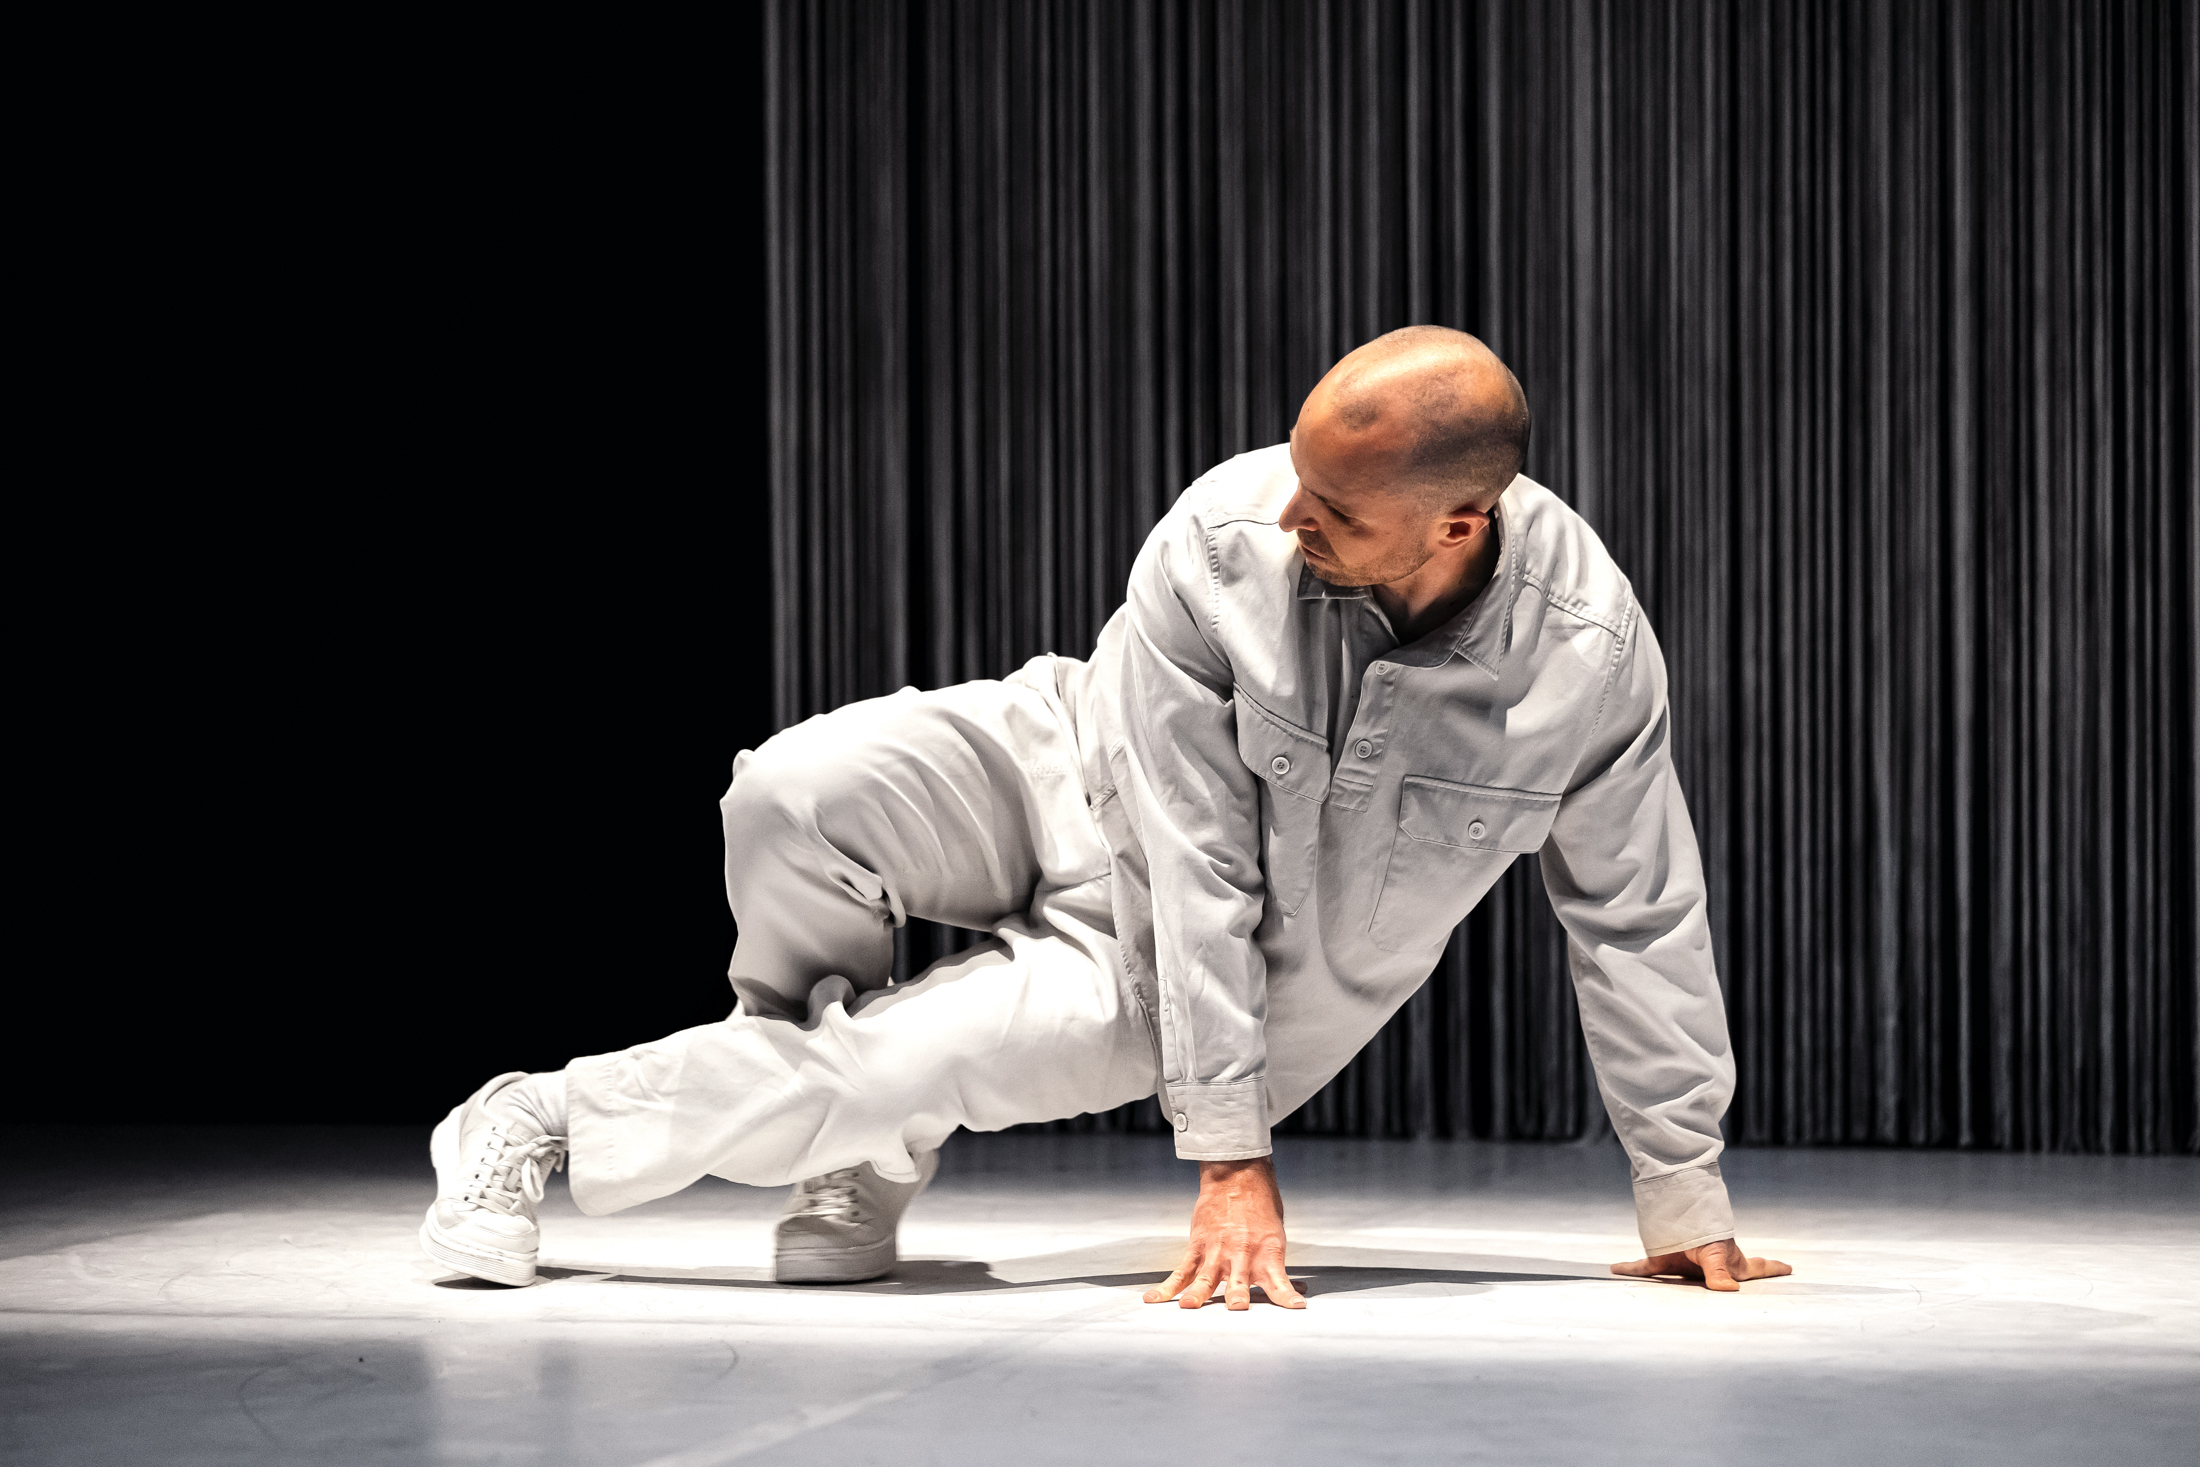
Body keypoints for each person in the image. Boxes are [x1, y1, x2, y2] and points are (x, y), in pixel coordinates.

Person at [420, 327, 1792, 1306]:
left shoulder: (1591, 659)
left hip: (1196, 969)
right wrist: (1231, 1163)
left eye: (1332, 508)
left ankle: (536, 1120)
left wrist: (1681, 1188)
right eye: (1295, 472)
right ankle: (851, 1143)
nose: (1288, 514)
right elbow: (1190, 837)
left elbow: (1637, 915)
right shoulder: (1223, 535)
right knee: (790, 791)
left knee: (896, 1065)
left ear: (1458, 526)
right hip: (1074, 757)